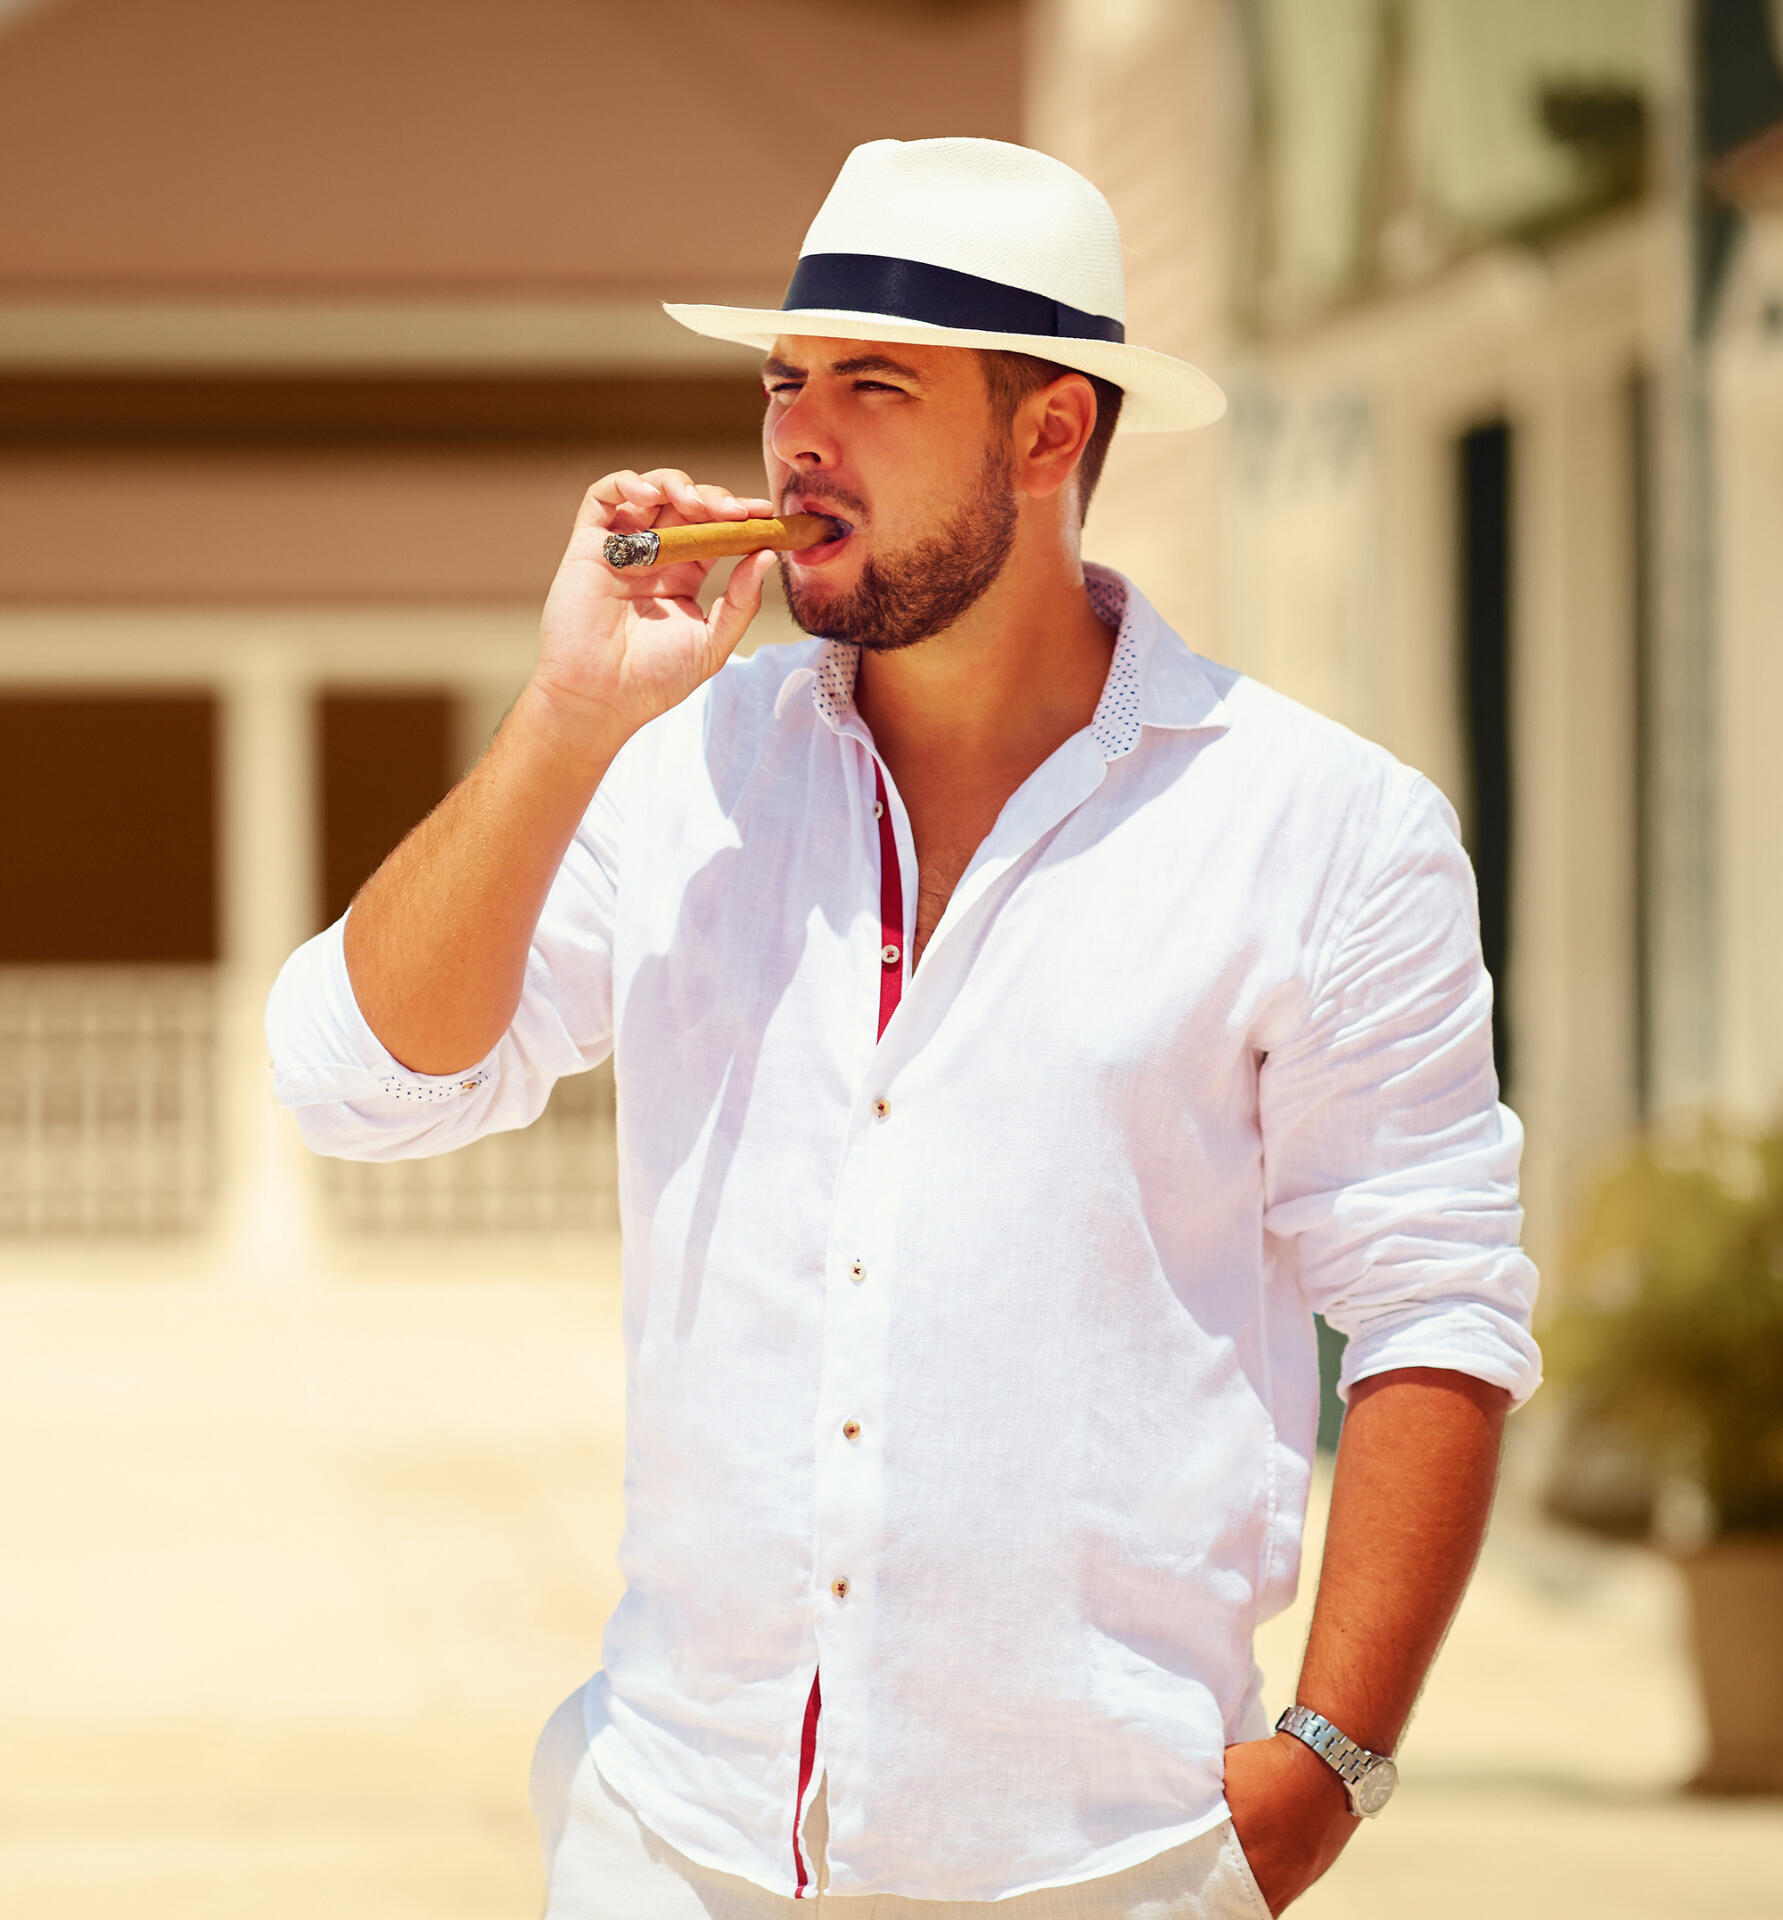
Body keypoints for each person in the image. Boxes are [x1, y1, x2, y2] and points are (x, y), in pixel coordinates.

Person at [266, 138, 1540, 1917]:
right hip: (670, 1840)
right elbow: (351, 1087)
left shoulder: (1325, 831)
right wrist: (564, 718)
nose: (801, 437)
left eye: (875, 384)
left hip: (1103, 1863)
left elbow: (1436, 1301)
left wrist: (1328, 1764)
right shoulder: (676, 775)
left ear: (1049, 434)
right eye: (789, 379)